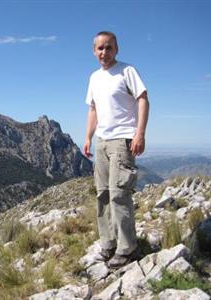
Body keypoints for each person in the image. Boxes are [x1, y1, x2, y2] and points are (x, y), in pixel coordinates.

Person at [83, 31, 150, 268]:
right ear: (94, 51)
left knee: (119, 195)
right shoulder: (94, 78)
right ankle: (108, 244)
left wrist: (139, 133)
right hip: (102, 142)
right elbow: (93, 109)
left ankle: (128, 248)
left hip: (123, 141)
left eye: (108, 47)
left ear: (116, 49)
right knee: (102, 195)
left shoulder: (127, 71)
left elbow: (143, 99)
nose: (104, 52)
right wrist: (88, 137)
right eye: (100, 48)